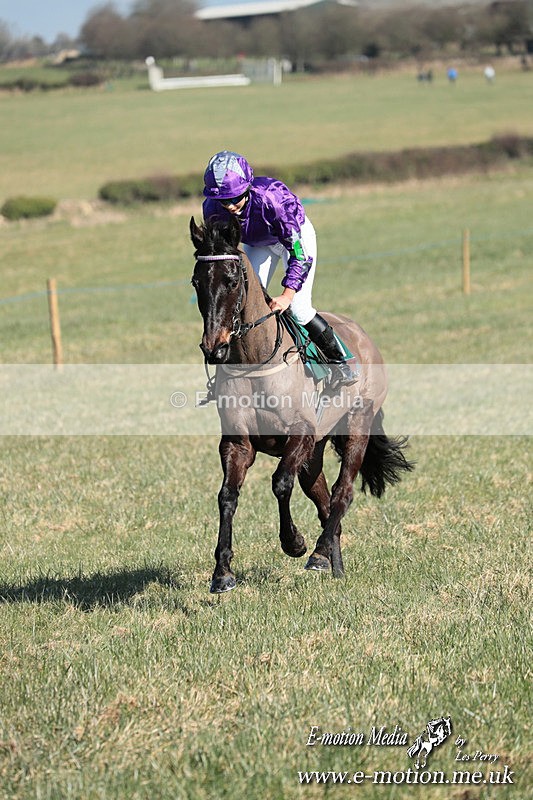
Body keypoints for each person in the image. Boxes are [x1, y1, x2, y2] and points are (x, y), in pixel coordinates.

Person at [202, 150, 355, 386]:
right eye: (224, 201)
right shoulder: (212, 209)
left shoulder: (272, 199)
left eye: (235, 198)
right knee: (242, 302)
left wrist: (286, 295)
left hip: (293, 241)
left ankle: (340, 363)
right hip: (258, 245)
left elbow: (298, 255)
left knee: (298, 308)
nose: (230, 206)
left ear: (248, 188)